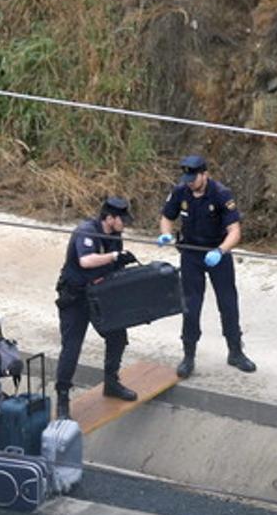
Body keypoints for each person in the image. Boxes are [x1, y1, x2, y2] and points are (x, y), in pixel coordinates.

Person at [158, 155, 256, 378]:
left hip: (217, 254)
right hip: (191, 255)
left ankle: (235, 352)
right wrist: (165, 234)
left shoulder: (221, 194)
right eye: (187, 178)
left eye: (194, 178)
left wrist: (220, 251)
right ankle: (189, 355)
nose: (190, 182)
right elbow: (166, 217)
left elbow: (235, 232)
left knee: (228, 303)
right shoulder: (181, 191)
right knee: (191, 306)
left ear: (205, 174)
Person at [54, 196, 139, 419]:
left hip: (100, 296)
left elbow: (112, 267)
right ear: (109, 218)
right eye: (121, 220)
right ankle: (62, 399)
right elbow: (86, 261)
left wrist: (122, 262)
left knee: (117, 336)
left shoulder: (115, 236)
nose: (125, 224)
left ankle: (111, 382)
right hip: (75, 298)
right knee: (71, 348)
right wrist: (113, 256)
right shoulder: (87, 231)